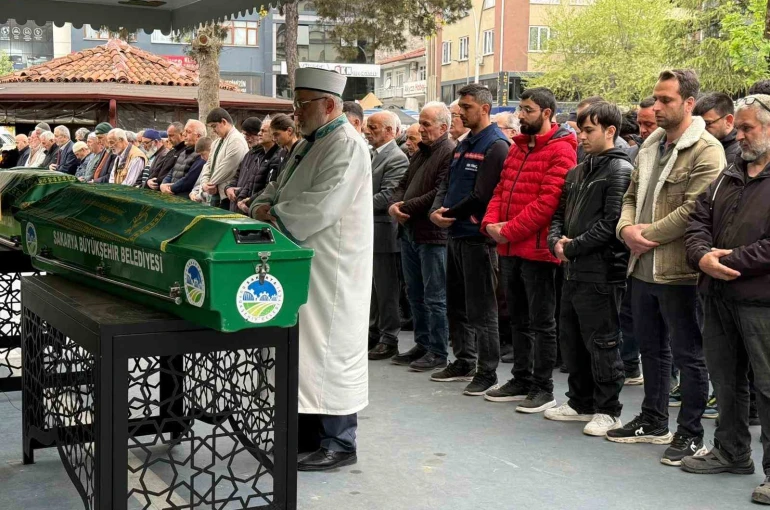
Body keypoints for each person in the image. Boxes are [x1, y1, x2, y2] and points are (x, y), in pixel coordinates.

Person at [249, 68, 372, 472]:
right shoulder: (308, 144)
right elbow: (276, 187)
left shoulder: (347, 145)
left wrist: (275, 215)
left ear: (330, 105)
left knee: (329, 349)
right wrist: (261, 207)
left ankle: (339, 441)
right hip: (299, 260)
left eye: (303, 104)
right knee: (302, 350)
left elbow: (324, 205)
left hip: (331, 267)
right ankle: (304, 434)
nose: (296, 112)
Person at [608, 69, 725, 467]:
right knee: (651, 350)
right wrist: (626, 229)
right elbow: (631, 193)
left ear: (689, 104)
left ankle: (690, 434)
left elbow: (695, 208)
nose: (656, 107)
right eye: (655, 99)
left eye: (666, 100)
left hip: (680, 272)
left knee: (688, 354)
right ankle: (654, 420)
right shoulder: (649, 144)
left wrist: (647, 234)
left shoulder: (708, 150)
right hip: (641, 266)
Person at [682, 94, 770, 504]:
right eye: (739, 128)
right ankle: (732, 452)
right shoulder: (730, 172)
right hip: (717, 295)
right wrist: (702, 256)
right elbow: (698, 219)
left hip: (761, 301)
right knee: (727, 380)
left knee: (768, 387)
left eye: (748, 127)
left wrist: (727, 260)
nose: (739, 134)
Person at [481, 87, 577, 413]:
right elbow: (501, 189)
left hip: (537, 252)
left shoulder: (562, 151)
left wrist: (505, 230)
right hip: (510, 249)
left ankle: (542, 387)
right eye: (520, 109)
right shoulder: (518, 149)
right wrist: (492, 223)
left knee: (542, 322)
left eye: (528, 110)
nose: (521, 115)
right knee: (517, 319)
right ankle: (520, 377)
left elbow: (548, 204)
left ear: (547, 113)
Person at [545, 101, 633, 436]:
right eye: (579, 129)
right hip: (572, 269)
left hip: (602, 271)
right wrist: (557, 241)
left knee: (603, 342)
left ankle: (609, 409)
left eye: (589, 130)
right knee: (572, 338)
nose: (581, 136)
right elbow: (558, 213)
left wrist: (572, 246)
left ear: (610, 131)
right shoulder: (577, 171)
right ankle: (580, 401)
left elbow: (612, 223)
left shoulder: (620, 170)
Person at [429, 84, 510, 395]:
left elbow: (482, 194)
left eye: (467, 106)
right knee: (457, 304)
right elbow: (448, 181)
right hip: (455, 234)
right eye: (460, 106)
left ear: (485, 109)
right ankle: (464, 360)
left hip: (477, 238)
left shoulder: (496, 144)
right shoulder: (464, 143)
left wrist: (448, 212)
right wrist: (438, 210)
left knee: (482, 308)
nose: (460, 111)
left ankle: (487, 371)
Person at [388, 102, 455, 372]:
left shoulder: (448, 152)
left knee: (434, 296)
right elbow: (402, 184)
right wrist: (394, 203)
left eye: (427, 124)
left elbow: (438, 193)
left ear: (443, 127)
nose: (422, 128)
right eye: (421, 123)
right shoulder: (421, 152)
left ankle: (438, 350)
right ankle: (423, 342)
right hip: (410, 231)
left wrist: (403, 207)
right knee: (415, 292)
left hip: (432, 235)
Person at [365, 111, 409, 360]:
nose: (368, 131)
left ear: (391, 131)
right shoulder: (372, 154)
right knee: (372, 288)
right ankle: (374, 332)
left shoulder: (396, 158)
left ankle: (389, 336)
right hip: (370, 230)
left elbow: (388, 195)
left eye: (374, 127)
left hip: (384, 231)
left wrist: (354, 205)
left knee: (387, 288)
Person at [195, 108, 248, 208]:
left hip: (228, 196)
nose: (213, 130)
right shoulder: (216, 142)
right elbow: (208, 165)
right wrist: (204, 184)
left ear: (223, 122)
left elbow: (226, 168)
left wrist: (209, 184)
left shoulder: (237, 141)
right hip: (216, 194)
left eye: (214, 126)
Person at [237, 118, 283, 213]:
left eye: (263, 131)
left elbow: (269, 187)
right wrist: (240, 199)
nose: (259, 134)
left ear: (273, 135)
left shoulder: (277, 157)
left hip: (261, 209)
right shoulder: (260, 156)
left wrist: (250, 201)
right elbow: (250, 181)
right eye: (259, 131)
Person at [225, 117, 264, 213]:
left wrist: (239, 191)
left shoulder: (264, 157)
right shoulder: (248, 154)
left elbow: (257, 185)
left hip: (247, 206)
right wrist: (228, 188)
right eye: (245, 135)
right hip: (236, 206)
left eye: (250, 135)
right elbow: (237, 175)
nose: (247, 138)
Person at [160, 120, 206, 196]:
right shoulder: (183, 151)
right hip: (172, 195)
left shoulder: (201, 155)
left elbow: (189, 180)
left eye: (188, 132)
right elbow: (172, 171)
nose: (184, 134)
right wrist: (163, 184)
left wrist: (169, 188)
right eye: (184, 131)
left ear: (198, 136)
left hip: (184, 199)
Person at [694, 92, 740, 166]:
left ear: (729, 121)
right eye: (698, 124)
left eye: (707, 123)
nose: (701, 129)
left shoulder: (737, 156)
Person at [146, 122, 185, 190]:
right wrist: (148, 181)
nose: (168, 139)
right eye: (168, 136)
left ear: (181, 134)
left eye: (171, 135)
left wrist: (158, 183)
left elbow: (169, 174)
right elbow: (158, 169)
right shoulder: (172, 151)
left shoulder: (184, 152)